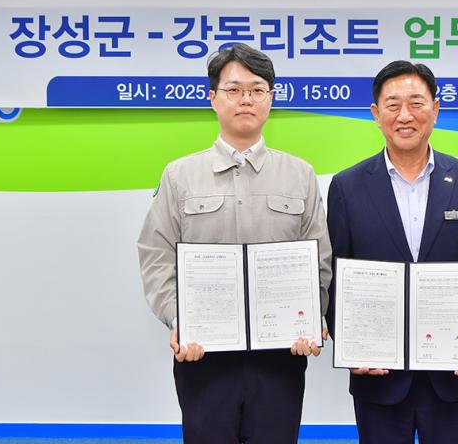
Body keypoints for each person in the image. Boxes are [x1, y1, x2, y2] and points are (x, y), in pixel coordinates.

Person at [137, 44, 332, 444]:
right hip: (205, 355)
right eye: (234, 89)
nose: (246, 99)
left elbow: (319, 258)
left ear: (271, 98)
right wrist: (179, 319)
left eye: (257, 90)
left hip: (280, 356)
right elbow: (156, 255)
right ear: (213, 97)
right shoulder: (180, 175)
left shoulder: (300, 174)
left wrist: (310, 316)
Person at [326, 60, 458, 444]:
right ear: (376, 114)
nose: (405, 116)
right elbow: (335, 274)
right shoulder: (347, 186)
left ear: (435, 109)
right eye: (392, 105)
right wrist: (349, 342)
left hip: (453, 373)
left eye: (416, 103)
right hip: (379, 373)